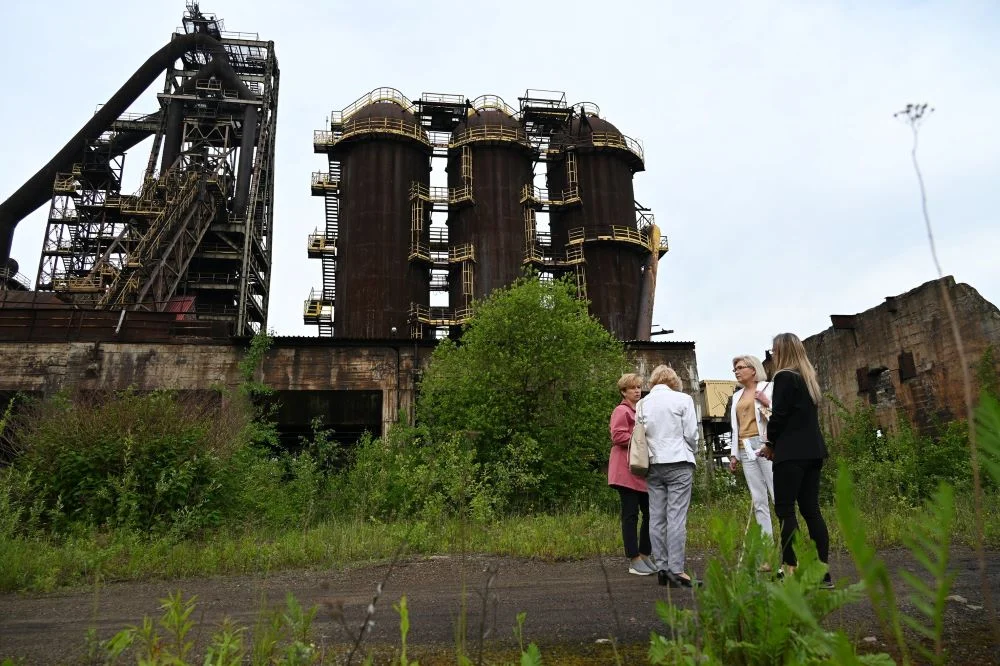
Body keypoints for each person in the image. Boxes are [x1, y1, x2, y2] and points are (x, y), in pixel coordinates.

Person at [758, 333, 833, 588]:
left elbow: (778, 417)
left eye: (773, 351)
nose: (772, 355)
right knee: (812, 511)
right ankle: (823, 574)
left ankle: (792, 568)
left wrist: (769, 444)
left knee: (786, 510)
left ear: (781, 351)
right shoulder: (808, 379)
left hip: (790, 454)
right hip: (814, 452)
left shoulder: (783, 377)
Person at [639, 365, 700, 587]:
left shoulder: (642, 404)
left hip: (653, 464)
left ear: (653, 382)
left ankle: (662, 569)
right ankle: (677, 570)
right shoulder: (683, 400)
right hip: (678, 460)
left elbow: (640, 437)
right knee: (676, 517)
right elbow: (692, 433)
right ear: (673, 381)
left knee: (656, 517)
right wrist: (692, 449)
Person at [608, 373, 655, 575]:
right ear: (623, 392)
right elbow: (617, 435)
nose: (637, 390)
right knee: (631, 515)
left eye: (639, 387)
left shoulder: (642, 410)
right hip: (625, 469)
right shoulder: (621, 410)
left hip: (640, 470)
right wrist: (640, 438)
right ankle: (634, 558)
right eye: (633, 388)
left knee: (651, 513)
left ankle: (645, 554)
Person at [728, 355, 776, 540]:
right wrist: (734, 455)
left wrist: (767, 402)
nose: (737, 372)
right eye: (735, 369)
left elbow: (778, 416)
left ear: (753, 369)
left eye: (740, 367)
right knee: (758, 500)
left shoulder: (769, 388)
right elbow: (735, 426)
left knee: (777, 494)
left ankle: (790, 549)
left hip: (765, 444)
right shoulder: (736, 396)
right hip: (744, 446)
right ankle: (767, 550)